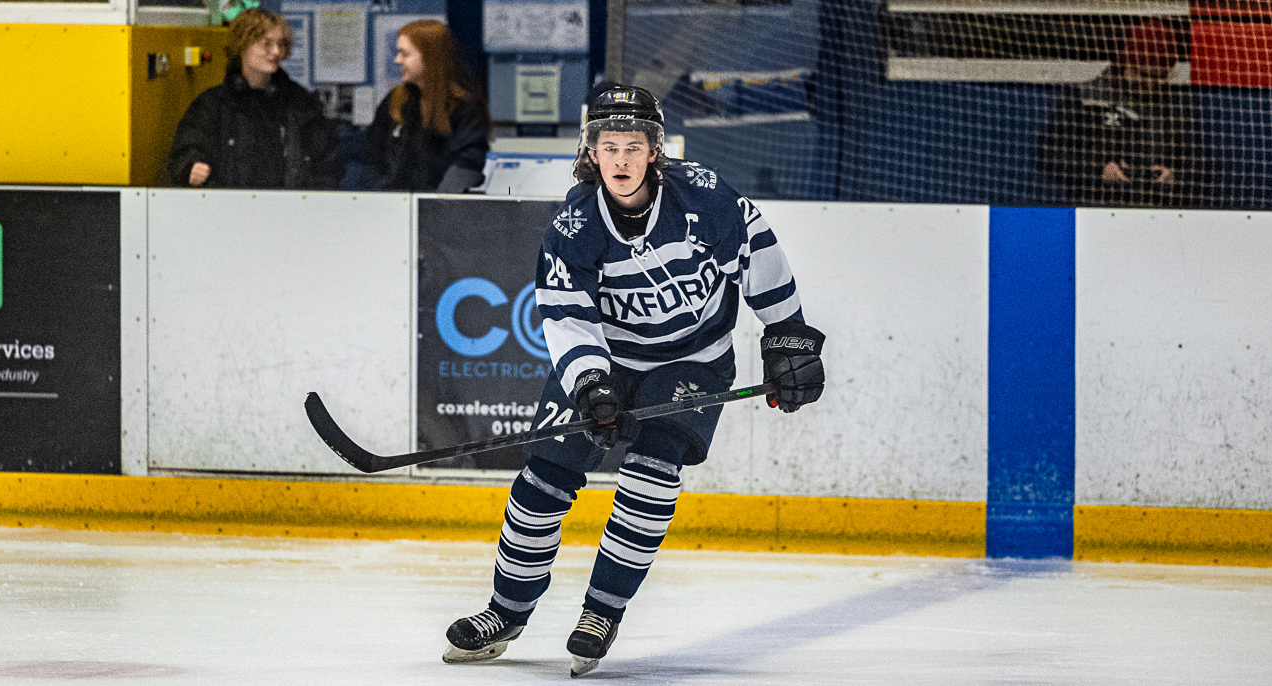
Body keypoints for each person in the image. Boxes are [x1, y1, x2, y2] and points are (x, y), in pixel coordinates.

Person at [440, 86, 826, 677]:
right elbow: (567, 316)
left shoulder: (705, 198)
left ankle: (601, 613)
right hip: (609, 357)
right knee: (543, 479)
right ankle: (505, 612)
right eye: (609, 146)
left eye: (633, 146)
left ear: (654, 151)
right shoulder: (573, 225)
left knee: (651, 477)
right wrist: (592, 385)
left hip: (693, 360)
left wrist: (788, 336)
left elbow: (760, 256)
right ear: (591, 151)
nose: (621, 160)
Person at [166, 8, 341, 189]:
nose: (276, 51)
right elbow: (187, 150)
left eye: (281, 44)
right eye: (266, 44)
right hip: (229, 204)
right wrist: (191, 168)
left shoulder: (301, 103)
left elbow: (327, 163)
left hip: (290, 205)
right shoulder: (213, 105)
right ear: (243, 45)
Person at [1040, 18, 1200, 207]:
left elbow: (1196, 163)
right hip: (1095, 206)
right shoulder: (1086, 97)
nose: (1151, 84)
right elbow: (1049, 155)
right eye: (1145, 75)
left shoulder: (1173, 107)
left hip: (1155, 208)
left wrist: (1175, 176)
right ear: (1127, 63)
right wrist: (1098, 170)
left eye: (1161, 77)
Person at [360, 20, 490, 193]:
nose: (397, 60)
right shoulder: (395, 101)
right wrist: (380, 195)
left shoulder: (465, 108)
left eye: (404, 54)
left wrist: (435, 203)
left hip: (438, 204)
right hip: (391, 202)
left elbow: (467, 164)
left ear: (429, 57)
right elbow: (370, 158)